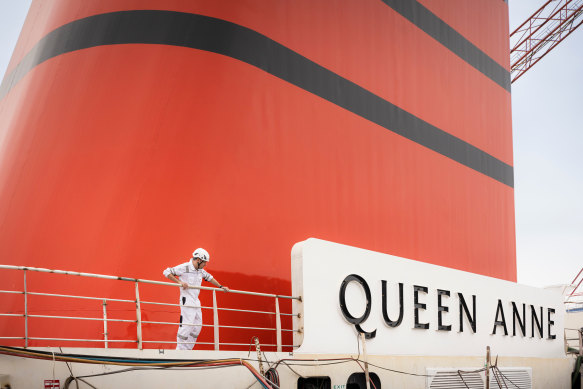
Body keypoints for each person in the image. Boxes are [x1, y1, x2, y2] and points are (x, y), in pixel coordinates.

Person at [163, 248, 229, 350]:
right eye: (205, 262)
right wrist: (179, 282)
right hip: (187, 299)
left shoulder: (200, 271)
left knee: (198, 325)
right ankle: (180, 350)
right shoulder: (185, 267)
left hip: (196, 300)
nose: (205, 265)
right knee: (187, 325)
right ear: (199, 260)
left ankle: (188, 350)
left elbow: (209, 277)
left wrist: (220, 286)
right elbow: (167, 272)